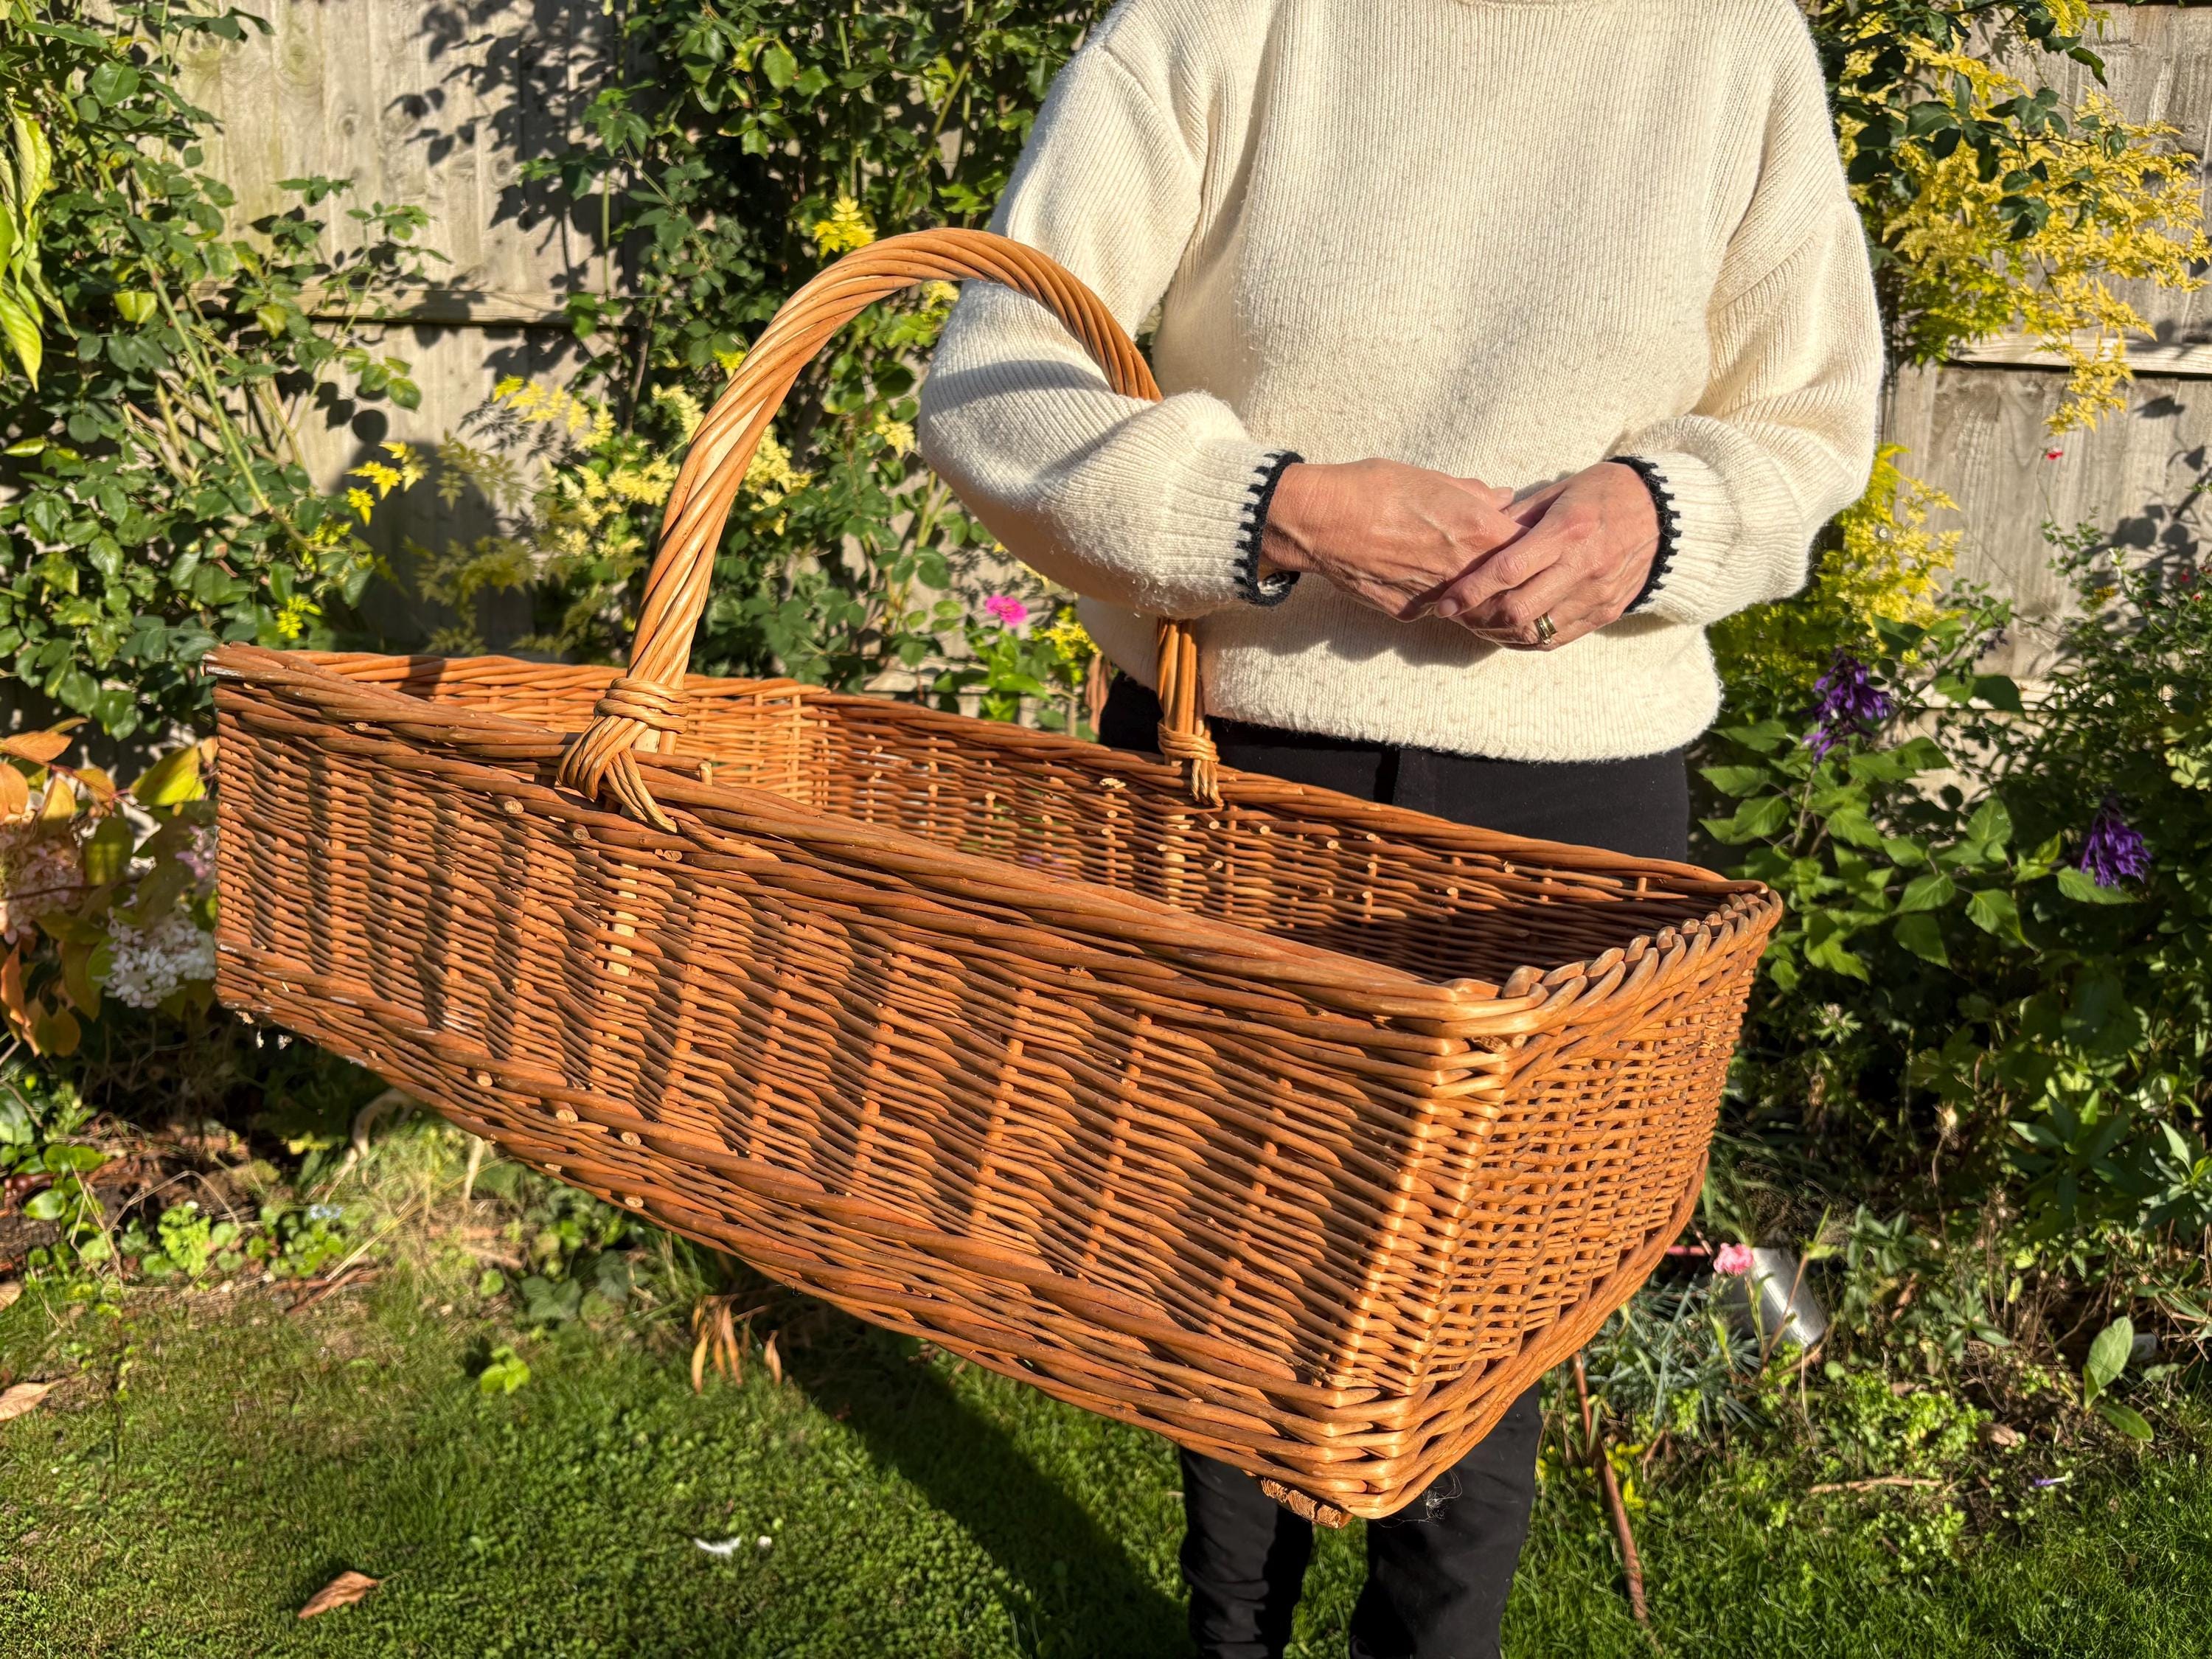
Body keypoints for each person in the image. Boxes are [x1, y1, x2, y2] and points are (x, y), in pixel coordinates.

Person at [916, 0, 1882, 1652]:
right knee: (1225, 1271)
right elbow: (996, 378)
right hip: (1240, 773)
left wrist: (1662, 518)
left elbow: (1811, 417)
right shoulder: (1217, 18)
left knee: (1488, 1327)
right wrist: (1268, 506)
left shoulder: (1731, 41)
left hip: (1573, 800)